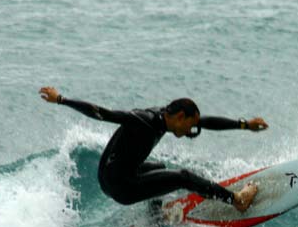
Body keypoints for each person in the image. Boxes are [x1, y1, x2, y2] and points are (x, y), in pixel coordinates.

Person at [38, 87, 268, 211]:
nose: (191, 130)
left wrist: (245, 124)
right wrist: (61, 99)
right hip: (121, 187)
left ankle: (154, 218)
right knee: (182, 177)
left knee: (159, 168)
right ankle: (237, 200)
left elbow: (206, 122)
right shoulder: (143, 120)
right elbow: (102, 113)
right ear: (180, 116)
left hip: (114, 176)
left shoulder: (164, 117)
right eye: (189, 125)